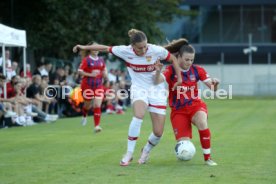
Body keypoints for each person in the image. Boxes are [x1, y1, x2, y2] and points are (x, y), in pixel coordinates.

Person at [73, 29, 182, 166]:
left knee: (158, 132)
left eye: (145, 46)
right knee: (138, 115)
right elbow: (104, 48)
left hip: (156, 90)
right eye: (139, 48)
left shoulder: (155, 50)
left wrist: (179, 77)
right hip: (139, 89)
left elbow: (172, 58)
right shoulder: (125, 50)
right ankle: (129, 153)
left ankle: (146, 150)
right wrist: (84, 47)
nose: (143, 50)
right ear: (133, 47)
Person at [154, 38, 219, 166]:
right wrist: (157, 71)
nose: (189, 62)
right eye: (187, 59)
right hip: (178, 111)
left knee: (202, 122)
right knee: (184, 145)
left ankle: (208, 158)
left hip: (195, 106)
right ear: (178, 57)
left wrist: (215, 84)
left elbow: (212, 88)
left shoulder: (197, 70)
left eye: (192, 60)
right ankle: (183, 152)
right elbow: (156, 81)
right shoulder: (170, 71)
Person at [77, 43, 108, 133]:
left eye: (97, 48)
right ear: (90, 49)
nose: (95, 49)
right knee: (87, 105)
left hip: (98, 86)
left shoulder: (101, 60)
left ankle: (97, 126)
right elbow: (79, 71)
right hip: (87, 86)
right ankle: (84, 116)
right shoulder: (86, 60)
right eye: (93, 48)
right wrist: (90, 74)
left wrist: (105, 74)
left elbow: (104, 70)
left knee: (97, 105)